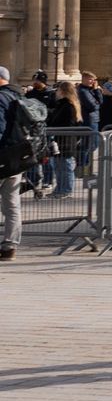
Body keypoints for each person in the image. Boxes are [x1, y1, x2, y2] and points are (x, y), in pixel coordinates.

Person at [0, 65, 22, 260]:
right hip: (17, 158)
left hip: (1, 155)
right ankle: (10, 247)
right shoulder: (19, 96)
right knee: (12, 204)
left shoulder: (0, 98)